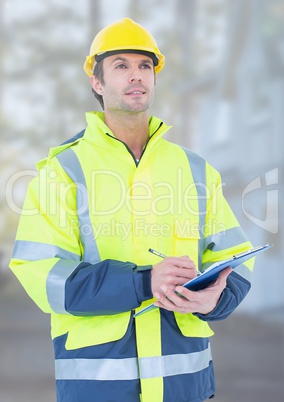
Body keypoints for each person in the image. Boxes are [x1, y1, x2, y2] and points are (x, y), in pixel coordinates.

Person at [9, 18, 254, 402]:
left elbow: (235, 258)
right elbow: (42, 275)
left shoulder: (196, 169)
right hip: (100, 386)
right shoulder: (63, 172)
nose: (136, 75)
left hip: (184, 385)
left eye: (144, 66)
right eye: (121, 66)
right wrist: (143, 282)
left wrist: (216, 299)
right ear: (97, 83)